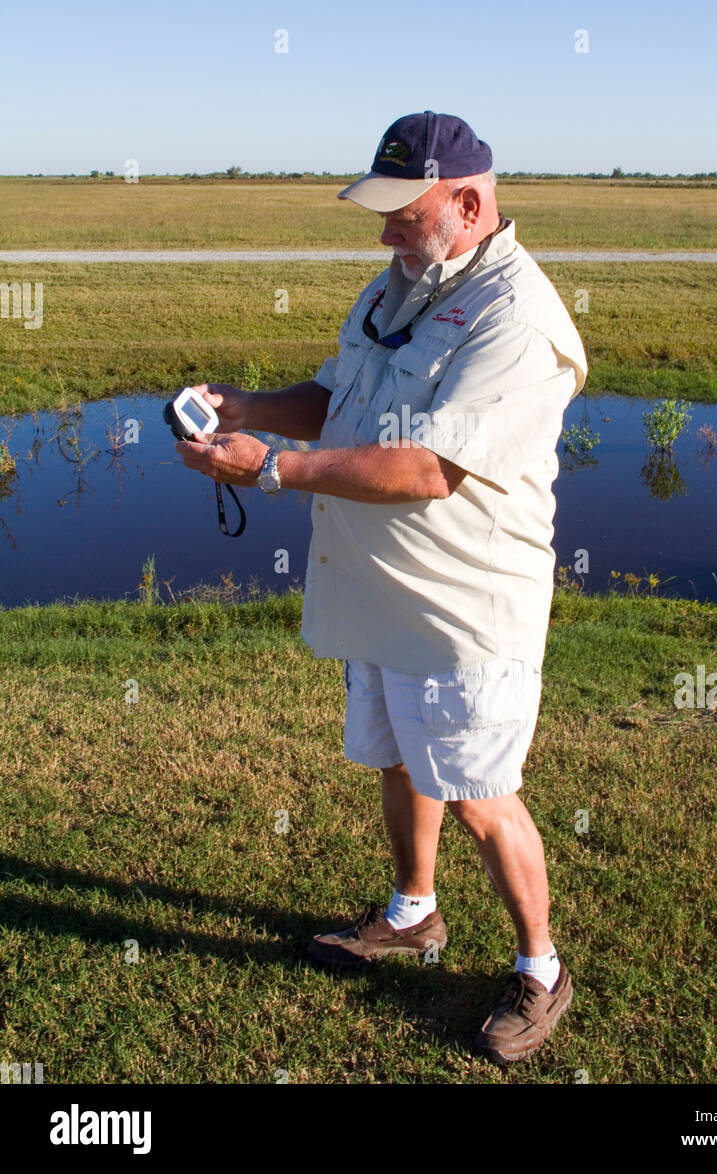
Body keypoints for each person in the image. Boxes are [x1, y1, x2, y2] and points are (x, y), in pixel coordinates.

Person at [176, 111, 588, 1064]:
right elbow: (339, 400)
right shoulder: (398, 286)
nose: (387, 230)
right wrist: (249, 408)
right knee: (402, 763)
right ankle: (413, 914)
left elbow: (429, 470)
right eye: (383, 210)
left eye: (406, 211)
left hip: (463, 605)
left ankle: (540, 968)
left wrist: (272, 469)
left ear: (470, 202)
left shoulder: (515, 319)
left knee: (482, 793)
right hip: (381, 592)